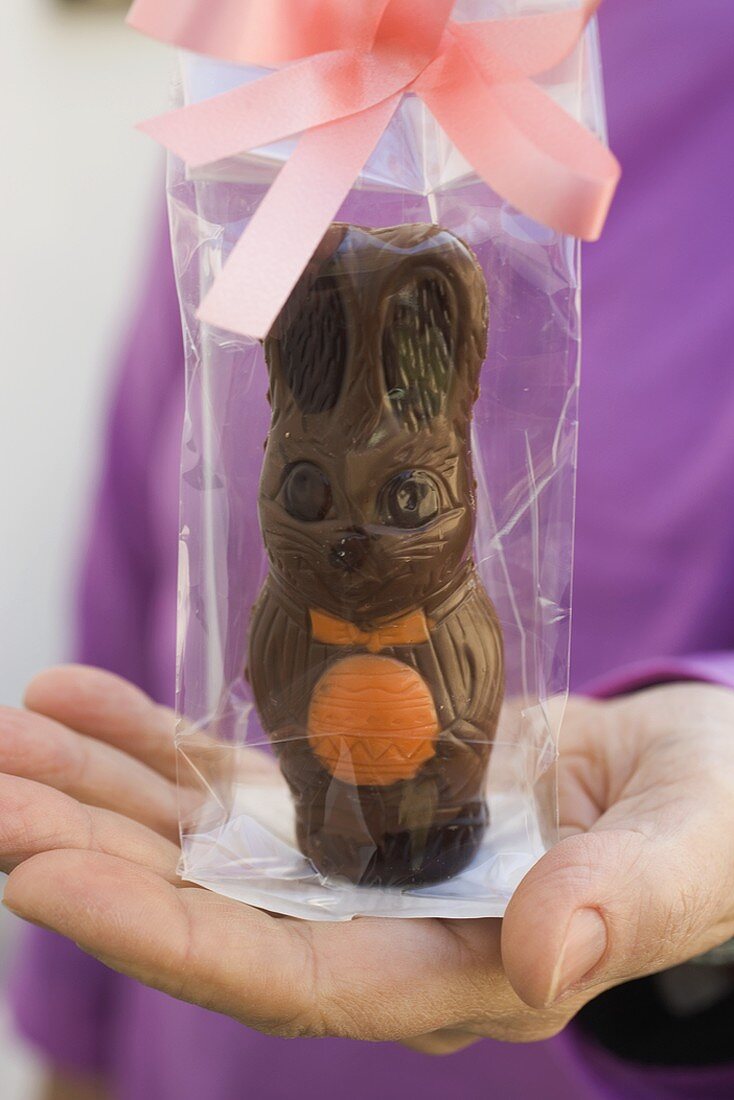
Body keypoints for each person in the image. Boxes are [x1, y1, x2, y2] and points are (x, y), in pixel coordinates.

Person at [2, 2, 734, 1097]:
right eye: (307, 491)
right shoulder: (270, 62)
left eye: (403, 496)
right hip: (184, 1037)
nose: (352, 536)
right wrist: (69, 1046)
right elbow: (128, 574)